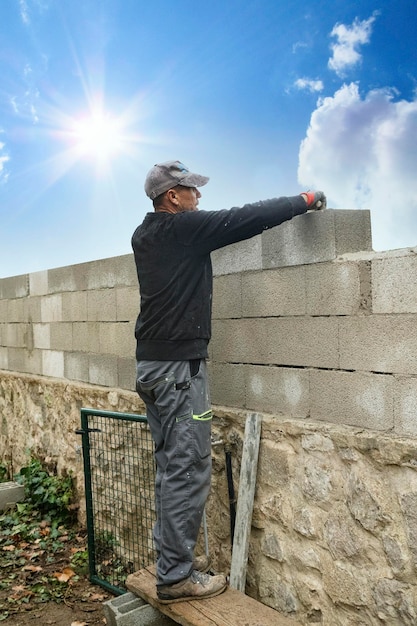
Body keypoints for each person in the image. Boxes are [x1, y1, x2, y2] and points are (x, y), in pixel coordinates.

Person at [132, 160, 326, 603]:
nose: (199, 197)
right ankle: (177, 577)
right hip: (180, 374)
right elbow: (246, 218)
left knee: (170, 468)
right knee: (189, 467)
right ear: (172, 198)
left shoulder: (145, 234)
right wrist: (305, 201)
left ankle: (172, 560)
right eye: (192, 191)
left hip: (154, 368)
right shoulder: (181, 230)